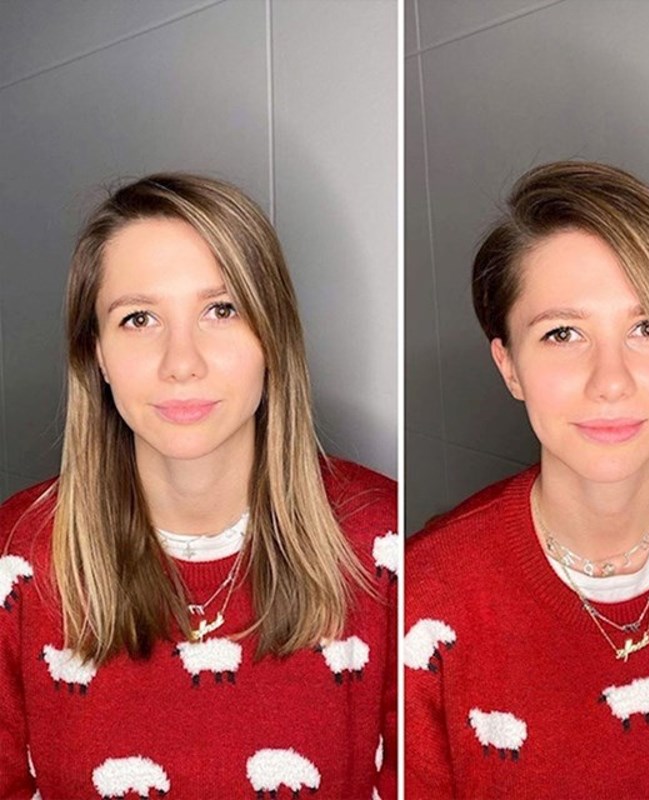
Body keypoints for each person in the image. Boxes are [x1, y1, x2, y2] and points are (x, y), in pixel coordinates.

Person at [404, 161, 649, 799]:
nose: (611, 380)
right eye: (563, 333)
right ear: (509, 365)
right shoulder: (424, 598)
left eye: (646, 328)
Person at [0, 174, 397, 799]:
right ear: (96, 353)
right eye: (138, 319)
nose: (181, 362)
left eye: (221, 310)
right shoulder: (14, 559)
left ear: (272, 335)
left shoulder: (388, 548)